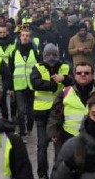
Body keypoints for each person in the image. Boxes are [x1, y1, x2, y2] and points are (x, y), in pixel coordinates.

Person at [31, 44, 73, 179]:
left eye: (54, 54)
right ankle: (42, 174)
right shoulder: (37, 67)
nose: (51, 57)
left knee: (59, 146)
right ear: (44, 55)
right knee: (42, 147)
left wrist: (64, 79)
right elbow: (35, 84)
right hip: (41, 112)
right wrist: (54, 84)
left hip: (60, 112)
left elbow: (74, 82)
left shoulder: (65, 67)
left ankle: (57, 173)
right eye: (48, 54)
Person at [47, 62, 95, 154]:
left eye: (86, 73)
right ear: (75, 76)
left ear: (92, 75)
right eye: (79, 73)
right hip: (69, 138)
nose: (82, 75)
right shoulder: (64, 93)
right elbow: (55, 114)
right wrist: (53, 131)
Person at [9, 28, 40, 138]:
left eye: (27, 35)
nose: (25, 37)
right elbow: (10, 70)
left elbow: (39, 68)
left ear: (30, 38)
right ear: (20, 37)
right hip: (18, 85)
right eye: (23, 35)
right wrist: (10, 88)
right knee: (21, 111)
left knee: (31, 112)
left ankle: (30, 128)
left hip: (32, 85)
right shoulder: (14, 52)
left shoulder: (35, 52)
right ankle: (22, 131)